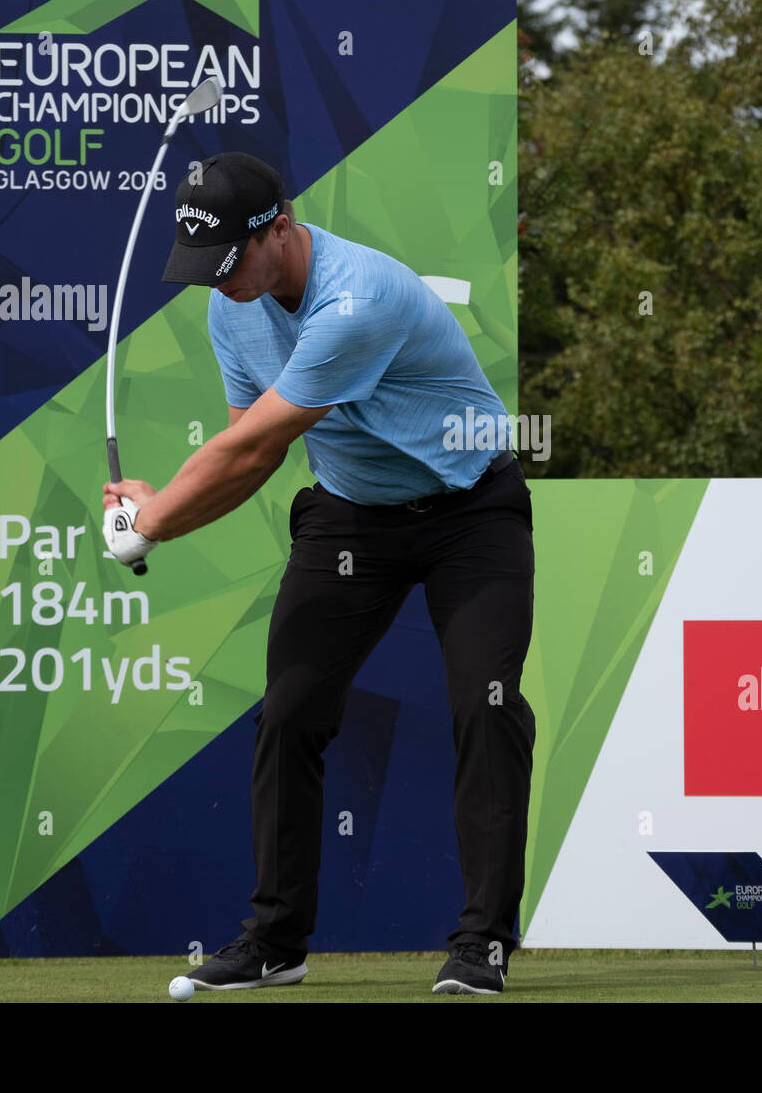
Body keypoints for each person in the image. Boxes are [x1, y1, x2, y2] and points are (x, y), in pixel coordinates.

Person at [102, 151, 536, 995]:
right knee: (290, 715)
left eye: (229, 263)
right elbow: (251, 455)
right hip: (349, 519)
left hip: (469, 511)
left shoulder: (359, 300)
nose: (218, 285)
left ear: (280, 228)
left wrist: (144, 523)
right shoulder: (236, 308)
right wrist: (157, 518)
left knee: (485, 708)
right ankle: (275, 943)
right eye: (205, 270)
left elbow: (254, 444)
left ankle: (482, 942)